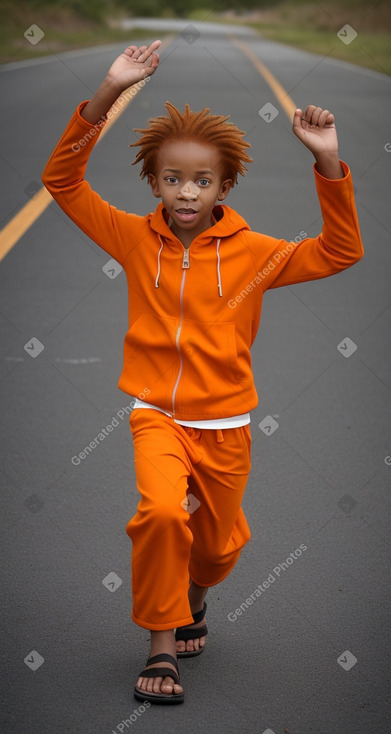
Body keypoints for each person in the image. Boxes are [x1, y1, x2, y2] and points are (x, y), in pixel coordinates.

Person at [42, 40, 364, 705]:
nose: (184, 192)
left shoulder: (257, 255)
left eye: (200, 181)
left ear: (224, 186)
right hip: (155, 414)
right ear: (153, 181)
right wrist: (107, 91)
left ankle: (194, 591)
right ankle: (161, 643)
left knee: (215, 551)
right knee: (161, 513)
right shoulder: (133, 239)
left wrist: (327, 159)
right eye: (170, 179)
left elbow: (341, 250)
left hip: (226, 424)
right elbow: (62, 181)